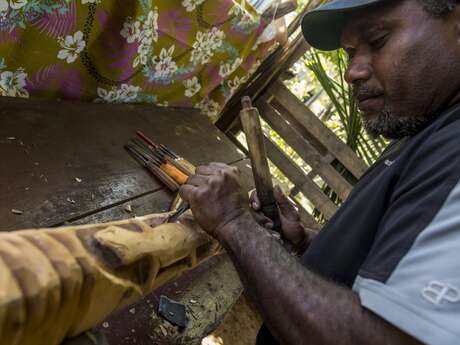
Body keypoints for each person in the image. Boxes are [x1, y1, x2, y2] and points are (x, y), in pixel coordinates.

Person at [179, 0, 460, 344]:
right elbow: (378, 267)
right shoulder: (424, 128)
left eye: (377, 40)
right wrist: (308, 240)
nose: (352, 72)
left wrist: (233, 222)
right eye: (351, 52)